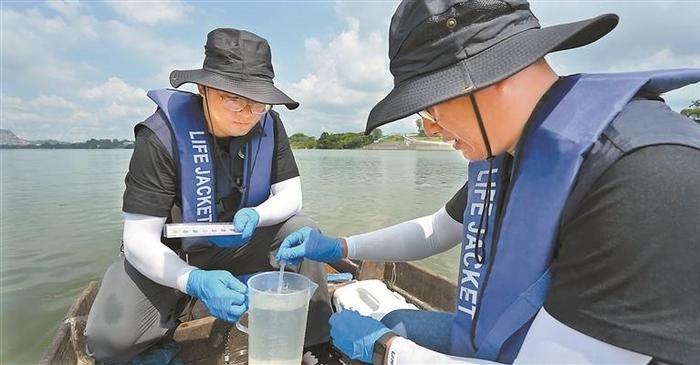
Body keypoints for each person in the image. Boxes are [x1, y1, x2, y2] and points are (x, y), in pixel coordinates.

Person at [276, 1, 700, 364]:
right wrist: (341, 246)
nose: (430, 128)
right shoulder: (512, 149)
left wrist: (386, 351)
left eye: (430, 105)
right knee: (388, 321)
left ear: (491, 76)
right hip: (510, 339)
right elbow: (439, 229)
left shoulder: (643, 174)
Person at [85, 28, 332, 363]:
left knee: (303, 232)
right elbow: (138, 239)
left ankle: (313, 343)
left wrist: (257, 215)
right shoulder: (160, 136)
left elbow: (291, 196)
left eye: (258, 101)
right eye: (233, 99)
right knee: (110, 340)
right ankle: (172, 325)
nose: (247, 112)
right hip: (170, 255)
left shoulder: (269, 125)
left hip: (236, 245)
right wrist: (194, 281)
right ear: (204, 89)